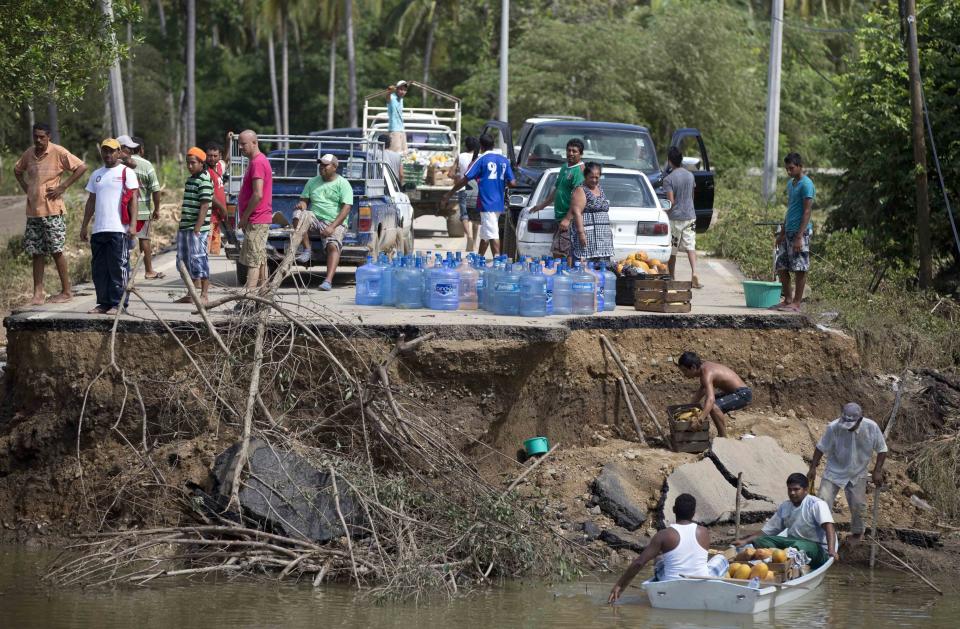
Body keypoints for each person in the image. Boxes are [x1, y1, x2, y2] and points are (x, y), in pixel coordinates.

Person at [14, 122, 88, 304]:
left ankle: (67, 291)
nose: (38, 140)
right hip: (33, 211)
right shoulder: (29, 153)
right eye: (36, 136)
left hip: (53, 211)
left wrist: (63, 186)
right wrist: (27, 188)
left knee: (56, 250)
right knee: (36, 252)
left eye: (42, 137)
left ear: (49, 137)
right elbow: (17, 170)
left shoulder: (58, 152)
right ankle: (38, 294)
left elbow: (81, 167)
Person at [807, 402, 888, 545]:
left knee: (858, 505)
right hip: (835, 471)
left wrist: (877, 471)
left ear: (860, 420)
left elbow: (882, 449)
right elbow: (821, 447)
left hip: (858, 472)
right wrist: (813, 467)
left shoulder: (871, 427)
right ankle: (822, 533)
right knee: (823, 500)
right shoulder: (834, 427)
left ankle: (857, 534)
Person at [608, 494, 710, 603]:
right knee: (720, 559)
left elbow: (639, 562)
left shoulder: (664, 535)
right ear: (694, 513)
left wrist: (620, 585)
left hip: (672, 586)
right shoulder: (704, 532)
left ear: (673, 510)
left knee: (659, 559)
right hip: (700, 585)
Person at [79, 139, 139, 315]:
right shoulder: (97, 174)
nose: (108, 154)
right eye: (105, 151)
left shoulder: (126, 172)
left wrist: (133, 225)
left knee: (118, 267)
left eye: (112, 151)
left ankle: (118, 304)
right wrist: (84, 226)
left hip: (118, 229)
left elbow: (133, 200)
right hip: (99, 229)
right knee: (99, 269)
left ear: (119, 152)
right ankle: (103, 303)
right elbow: (91, 201)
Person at [734, 473, 838, 569]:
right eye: (790, 489)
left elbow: (829, 527)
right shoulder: (785, 506)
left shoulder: (816, 504)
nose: (792, 493)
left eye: (796, 489)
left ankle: (786, 561)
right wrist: (745, 541)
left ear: (806, 490)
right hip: (793, 544)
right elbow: (766, 531)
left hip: (816, 548)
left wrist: (832, 550)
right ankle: (781, 562)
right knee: (760, 541)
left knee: (799, 546)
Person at [443, 134, 516, 256]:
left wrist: (449, 194)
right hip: (499, 203)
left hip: (487, 202)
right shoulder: (504, 160)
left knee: (492, 233)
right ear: (493, 145)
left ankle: (497, 262)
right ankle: (479, 259)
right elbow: (513, 183)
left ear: (481, 146)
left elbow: (465, 179)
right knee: (485, 234)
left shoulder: (482, 160)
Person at [293, 153, 353, 291]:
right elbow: (304, 201)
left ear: (334, 167)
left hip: (335, 221)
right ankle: (307, 249)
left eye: (325, 165)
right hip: (315, 218)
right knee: (297, 215)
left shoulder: (343, 184)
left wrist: (332, 227)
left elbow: (346, 208)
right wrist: (301, 205)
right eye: (321, 165)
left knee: (332, 245)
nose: (322, 167)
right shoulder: (312, 182)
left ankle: (328, 281)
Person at [529, 138, 585, 263]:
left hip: (570, 219)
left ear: (581, 154)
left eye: (574, 151)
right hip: (560, 218)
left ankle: (567, 277)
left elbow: (578, 199)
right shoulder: (565, 167)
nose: (570, 153)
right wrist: (542, 205)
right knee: (562, 251)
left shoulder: (579, 171)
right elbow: (557, 190)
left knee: (563, 252)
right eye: (569, 150)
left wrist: (567, 218)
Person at [117, 135, 164, 280]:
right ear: (141, 149)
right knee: (144, 239)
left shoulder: (117, 164)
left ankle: (121, 270)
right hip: (142, 210)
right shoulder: (147, 165)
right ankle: (149, 270)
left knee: (123, 241)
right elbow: (156, 189)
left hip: (123, 211)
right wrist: (156, 208)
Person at [774, 152, 815, 312]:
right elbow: (791, 209)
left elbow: (807, 211)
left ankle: (797, 303)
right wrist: (782, 233)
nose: (789, 171)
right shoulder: (791, 184)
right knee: (781, 265)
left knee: (800, 267)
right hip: (788, 231)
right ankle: (788, 300)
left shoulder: (807, 184)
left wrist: (799, 236)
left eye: (791, 168)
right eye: (787, 169)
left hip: (800, 232)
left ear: (799, 166)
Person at [677, 351, 751, 438]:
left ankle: (723, 438)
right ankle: (721, 435)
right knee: (708, 404)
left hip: (743, 394)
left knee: (713, 406)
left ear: (693, 367)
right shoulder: (704, 369)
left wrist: (700, 420)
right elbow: (700, 393)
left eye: (685, 371)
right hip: (734, 393)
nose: (684, 374)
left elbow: (711, 400)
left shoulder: (706, 374)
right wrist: (686, 409)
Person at [174, 148, 214, 305]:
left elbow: (205, 205)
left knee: (199, 260)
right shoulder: (191, 180)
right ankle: (191, 293)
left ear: (201, 163)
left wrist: (197, 227)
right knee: (183, 261)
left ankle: (204, 294)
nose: (190, 166)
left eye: (193, 163)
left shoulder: (204, 180)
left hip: (198, 229)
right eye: (188, 163)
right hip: (185, 227)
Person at [236, 130, 273, 291]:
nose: (240, 147)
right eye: (239, 143)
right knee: (260, 258)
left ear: (254, 143)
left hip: (257, 219)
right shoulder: (256, 161)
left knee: (253, 261)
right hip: (257, 219)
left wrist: (244, 217)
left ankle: (249, 299)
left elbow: (258, 194)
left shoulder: (258, 162)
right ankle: (263, 294)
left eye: (243, 144)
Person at [663, 146, 701, 288]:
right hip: (690, 215)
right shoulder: (690, 175)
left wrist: (663, 211)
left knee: (673, 249)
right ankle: (694, 273)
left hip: (675, 218)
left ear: (669, 161)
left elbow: (670, 202)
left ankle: (672, 276)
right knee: (690, 246)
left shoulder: (668, 179)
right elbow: (692, 196)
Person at [569, 162, 614, 264]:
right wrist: (581, 234)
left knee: (602, 270)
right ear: (585, 176)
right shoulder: (581, 190)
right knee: (585, 268)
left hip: (602, 240)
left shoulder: (599, 188)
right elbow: (577, 212)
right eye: (591, 177)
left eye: (596, 177)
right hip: (588, 237)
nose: (594, 180)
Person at [455, 136, 480, 252]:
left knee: (465, 216)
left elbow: (450, 173)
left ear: (466, 145)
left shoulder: (460, 156)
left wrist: (457, 176)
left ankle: (469, 237)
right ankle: (474, 243)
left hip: (462, 188)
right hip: (475, 189)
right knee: (475, 217)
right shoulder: (479, 158)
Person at [205, 142, 228, 256]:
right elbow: (209, 194)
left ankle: (206, 272)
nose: (212, 158)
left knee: (213, 251)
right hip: (208, 216)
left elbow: (227, 159)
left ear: (220, 156)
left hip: (217, 216)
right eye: (209, 155)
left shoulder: (219, 166)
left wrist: (227, 141)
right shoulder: (206, 172)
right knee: (205, 249)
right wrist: (223, 208)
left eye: (215, 156)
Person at [386, 80, 409, 153]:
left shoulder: (401, 99)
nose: (403, 92)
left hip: (402, 129)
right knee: (395, 154)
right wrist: (389, 91)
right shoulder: (392, 97)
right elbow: (387, 98)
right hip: (394, 130)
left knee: (405, 153)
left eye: (405, 90)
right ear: (397, 89)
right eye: (401, 89)